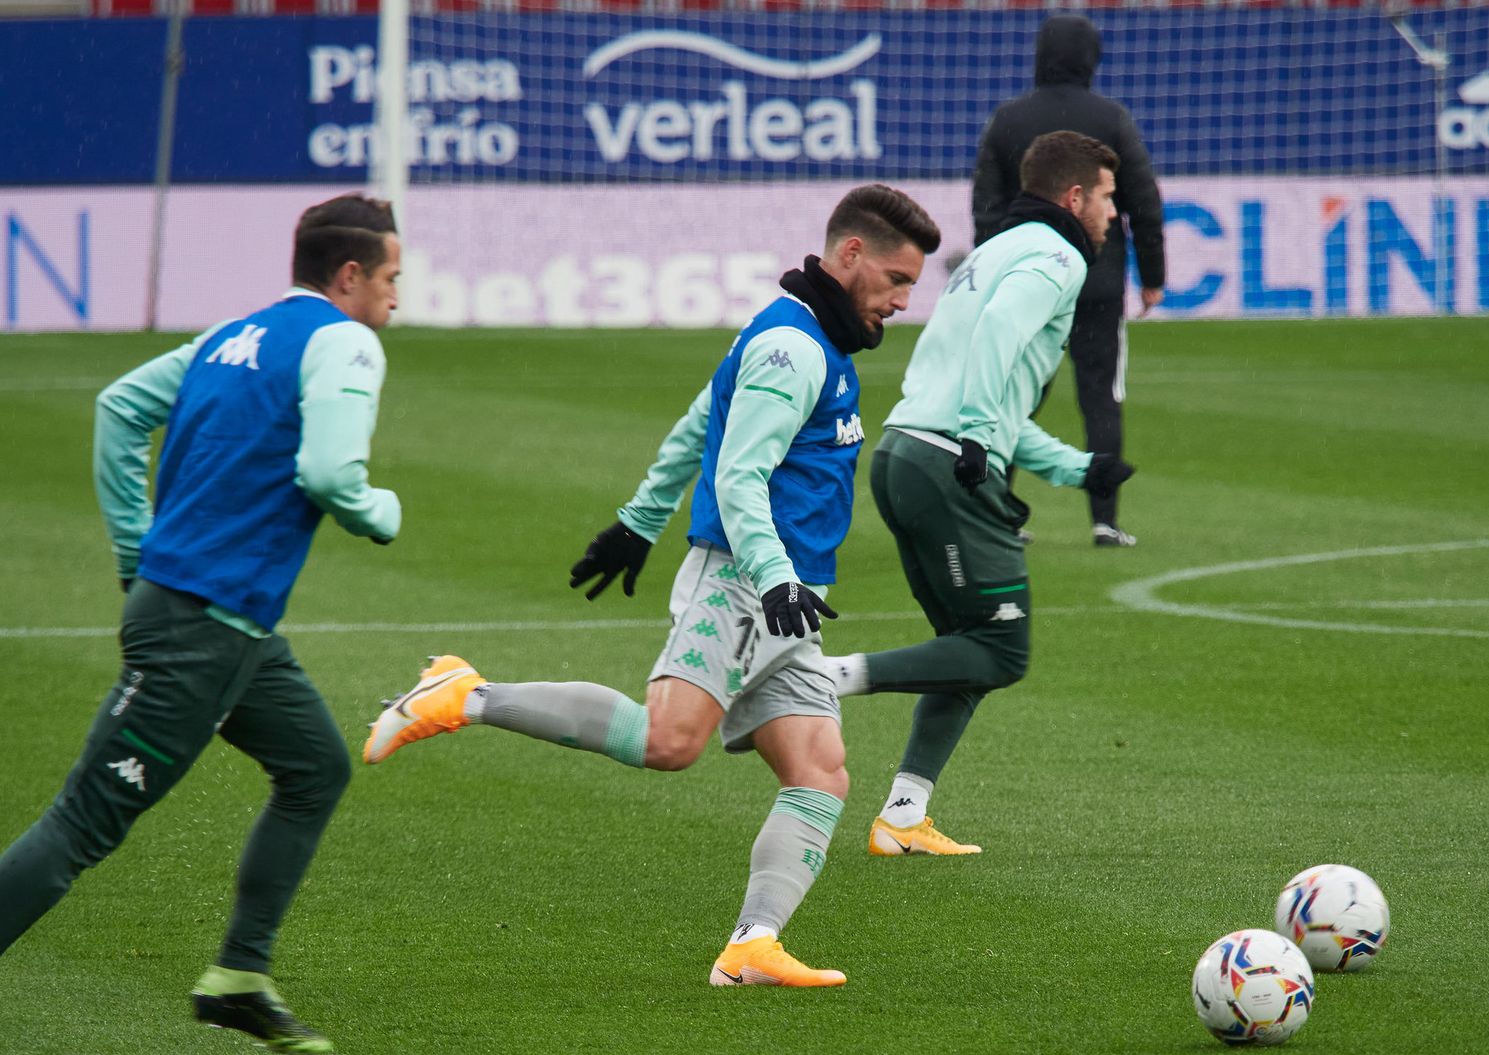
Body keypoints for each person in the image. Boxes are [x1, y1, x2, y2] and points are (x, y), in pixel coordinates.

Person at [363, 185, 940, 988]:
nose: (905, 299)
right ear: (850, 256)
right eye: (897, 278)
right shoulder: (794, 349)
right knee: (669, 743)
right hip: (747, 581)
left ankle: (751, 946)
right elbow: (739, 473)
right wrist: (771, 578)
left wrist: (639, 520)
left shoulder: (810, 337)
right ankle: (465, 694)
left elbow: (698, 421)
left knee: (821, 770)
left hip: (788, 598)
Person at [0, 194, 403, 1055]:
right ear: (349, 275)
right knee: (82, 824)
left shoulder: (229, 336)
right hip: (201, 627)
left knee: (314, 765)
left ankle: (239, 973)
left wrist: (135, 546)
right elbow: (329, 472)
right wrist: (376, 511)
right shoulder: (345, 342)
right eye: (391, 277)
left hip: (220, 623)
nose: (397, 296)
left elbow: (120, 406)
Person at [822, 132, 1134, 856]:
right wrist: (971, 439)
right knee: (1000, 650)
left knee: (963, 648)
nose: (1115, 213)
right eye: (1110, 197)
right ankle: (819, 677)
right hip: (944, 462)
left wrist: (1074, 468)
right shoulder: (1057, 255)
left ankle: (902, 817)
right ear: (1076, 196)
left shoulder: (994, 249)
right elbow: (995, 345)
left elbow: (982, 387)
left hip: (904, 451)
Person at [972, 13, 1165, 547]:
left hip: (1026, 280)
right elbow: (1143, 202)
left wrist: (993, 268)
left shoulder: (1009, 119)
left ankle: (1000, 515)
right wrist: (1153, 275)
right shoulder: (1111, 119)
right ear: (1091, 59)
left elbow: (986, 204)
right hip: (1096, 280)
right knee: (1101, 397)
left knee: (1012, 396)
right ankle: (1105, 519)